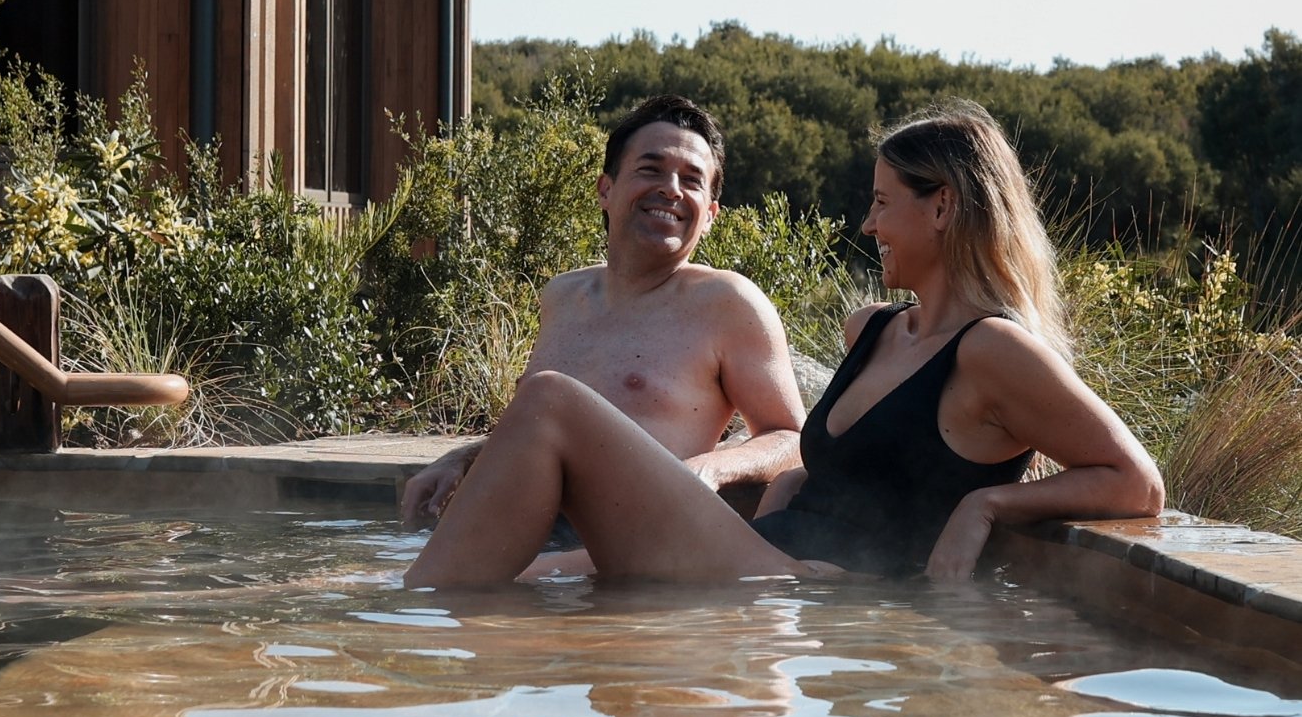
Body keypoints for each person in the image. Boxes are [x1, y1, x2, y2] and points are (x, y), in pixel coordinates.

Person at [404, 99, 1163, 590]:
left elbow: (1136, 482)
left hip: (804, 579)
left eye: (880, 203)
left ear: (942, 210)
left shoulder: (992, 349)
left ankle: (410, 649)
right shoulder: (872, 330)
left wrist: (985, 505)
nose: (868, 226)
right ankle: (412, 635)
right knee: (522, 578)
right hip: (765, 552)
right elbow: (814, 461)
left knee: (548, 403)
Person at [400, 95, 805, 545]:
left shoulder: (728, 302)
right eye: (651, 169)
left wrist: (707, 469)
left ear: (710, 215)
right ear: (605, 190)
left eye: (691, 180)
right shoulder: (563, 295)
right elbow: (544, 434)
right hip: (517, 527)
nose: (671, 188)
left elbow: (789, 436)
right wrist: (459, 459)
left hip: (621, 543)